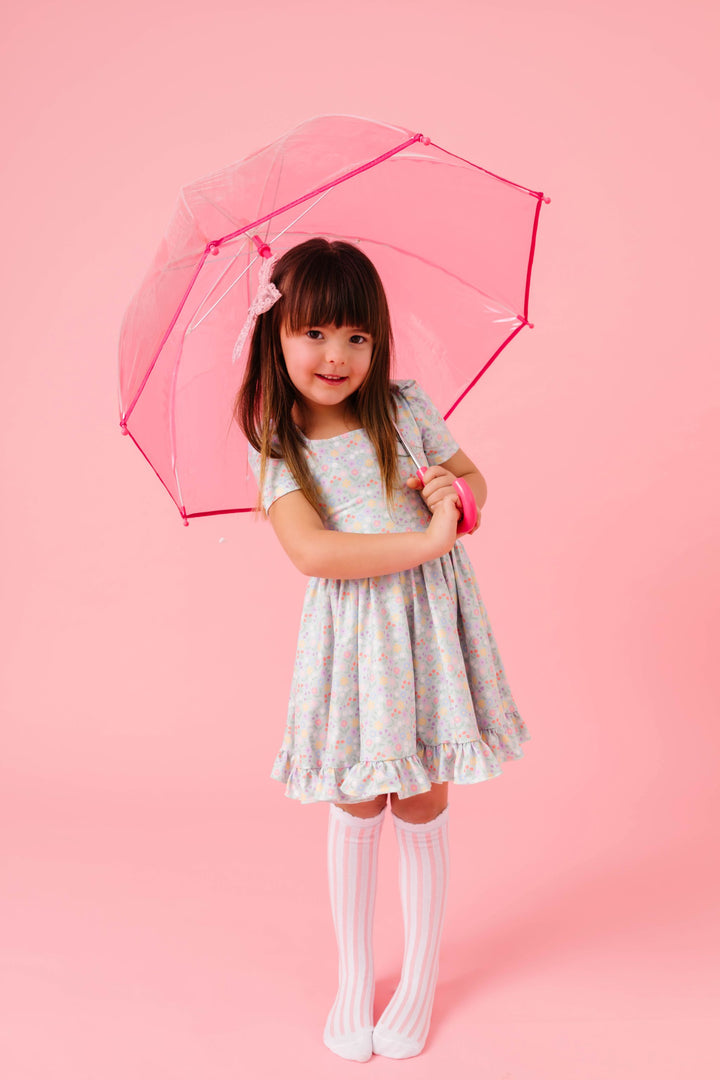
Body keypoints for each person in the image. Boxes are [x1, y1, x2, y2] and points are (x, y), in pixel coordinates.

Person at [233, 237, 530, 1062]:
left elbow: (473, 483)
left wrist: (453, 498)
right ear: (276, 334)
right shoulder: (276, 438)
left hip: (429, 627)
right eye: (315, 333)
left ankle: (423, 972)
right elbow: (315, 552)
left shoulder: (404, 406)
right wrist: (430, 542)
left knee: (424, 794)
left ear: (379, 340)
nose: (337, 355)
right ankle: (355, 974)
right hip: (357, 639)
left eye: (357, 336)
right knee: (360, 798)